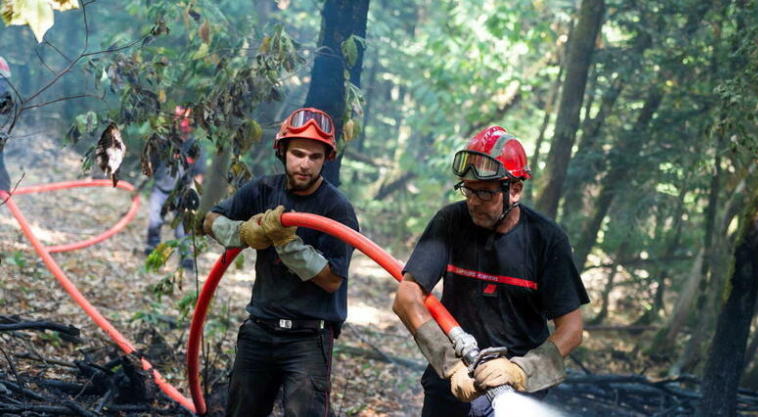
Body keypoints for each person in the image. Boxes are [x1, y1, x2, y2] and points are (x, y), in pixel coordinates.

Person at [392, 126, 590, 416]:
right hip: (452, 384)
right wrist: (452, 366)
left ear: (516, 189)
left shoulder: (546, 239)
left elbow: (571, 330)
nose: (473, 201)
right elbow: (406, 297)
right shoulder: (450, 221)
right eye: (468, 190)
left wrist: (520, 370)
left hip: (513, 391)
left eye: (485, 193)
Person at [202, 107, 359, 417]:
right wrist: (243, 231)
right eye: (298, 153)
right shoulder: (262, 190)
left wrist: (286, 243)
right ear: (282, 151)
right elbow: (208, 220)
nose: (305, 164)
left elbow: (331, 280)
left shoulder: (337, 208)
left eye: (315, 157)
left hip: (308, 338)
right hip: (259, 330)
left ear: (326, 159)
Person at [144, 106, 206, 270]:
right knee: (154, 221)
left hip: (182, 193)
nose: (183, 126)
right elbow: (151, 163)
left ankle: (186, 260)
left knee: (182, 229)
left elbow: (199, 173)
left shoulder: (194, 146)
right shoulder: (164, 141)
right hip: (161, 189)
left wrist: (193, 195)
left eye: (186, 123)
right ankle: (152, 254)